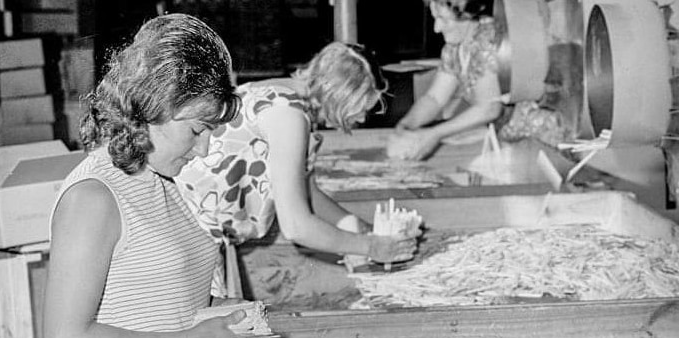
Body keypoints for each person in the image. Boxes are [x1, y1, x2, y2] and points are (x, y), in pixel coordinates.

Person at [43, 13, 258, 338]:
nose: (204, 148)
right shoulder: (95, 196)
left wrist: (221, 315)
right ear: (154, 104)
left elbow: (156, 306)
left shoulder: (160, 181)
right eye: (196, 130)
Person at [175, 42, 420, 297]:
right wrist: (369, 246)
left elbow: (306, 194)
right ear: (342, 94)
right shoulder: (287, 114)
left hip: (194, 232)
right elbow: (296, 226)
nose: (360, 120)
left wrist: (357, 226)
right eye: (361, 108)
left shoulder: (280, 94)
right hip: (193, 241)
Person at [387, 0, 503, 161]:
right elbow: (434, 98)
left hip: (529, 139)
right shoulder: (455, 47)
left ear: (467, 15)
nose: (436, 28)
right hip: (498, 138)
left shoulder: (487, 38)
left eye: (444, 19)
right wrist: (407, 125)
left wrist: (434, 134)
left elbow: (489, 107)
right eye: (435, 18)